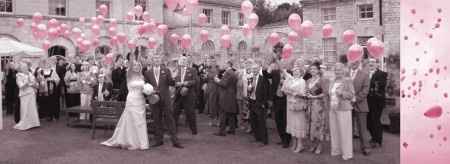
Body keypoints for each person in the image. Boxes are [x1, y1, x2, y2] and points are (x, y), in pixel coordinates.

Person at [101, 60, 149, 150]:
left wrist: (147, 90)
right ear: (132, 67)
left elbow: (143, 87)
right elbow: (128, 87)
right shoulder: (128, 76)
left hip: (141, 100)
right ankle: (130, 141)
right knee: (131, 120)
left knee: (140, 121)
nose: (136, 67)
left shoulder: (142, 76)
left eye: (138, 65)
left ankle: (142, 143)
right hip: (132, 99)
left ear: (140, 67)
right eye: (134, 65)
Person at [143, 53, 183, 149]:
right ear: (152, 60)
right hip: (154, 99)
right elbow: (145, 86)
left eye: (158, 58)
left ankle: (175, 141)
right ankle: (159, 140)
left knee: (170, 119)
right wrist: (149, 93)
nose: (156, 60)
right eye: (155, 58)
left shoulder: (166, 70)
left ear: (160, 60)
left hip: (166, 99)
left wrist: (174, 78)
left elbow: (171, 83)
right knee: (157, 119)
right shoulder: (148, 73)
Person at [328, 63, 355, 161]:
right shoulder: (332, 81)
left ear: (343, 70)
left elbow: (351, 95)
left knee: (345, 132)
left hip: (344, 108)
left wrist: (342, 93)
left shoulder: (347, 80)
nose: (337, 72)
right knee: (334, 131)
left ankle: (347, 153)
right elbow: (330, 94)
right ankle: (336, 150)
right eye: (336, 70)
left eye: (339, 70)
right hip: (333, 108)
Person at [281, 59, 308, 153]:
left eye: (298, 71)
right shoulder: (290, 80)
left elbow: (303, 94)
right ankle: (294, 143)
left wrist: (294, 93)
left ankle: (300, 145)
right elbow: (283, 90)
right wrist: (287, 91)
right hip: (289, 104)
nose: (296, 72)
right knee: (292, 123)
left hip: (298, 105)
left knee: (298, 124)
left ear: (301, 72)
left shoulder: (302, 81)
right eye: (294, 71)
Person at [349, 60, 371, 155]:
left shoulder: (364, 75)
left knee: (362, 128)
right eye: (352, 61)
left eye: (355, 62)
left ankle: (366, 148)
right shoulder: (346, 74)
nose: (353, 63)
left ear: (358, 63)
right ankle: (349, 147)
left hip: (360, 105)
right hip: (347, 106)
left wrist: (355, 99)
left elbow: (365, 90)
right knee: (348, 129)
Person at [305, 62, 328, 154]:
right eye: (311, 69)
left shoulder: (322, 80)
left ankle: (319, 146)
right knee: (311, 126)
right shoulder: (308, 80)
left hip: (319, 106)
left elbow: (325, 93)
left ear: (318, 70)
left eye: (314, 69)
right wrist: (306, 94)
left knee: (318, 125)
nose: (312, 70)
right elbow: (306, 92)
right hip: (310, 105)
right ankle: (313, 144)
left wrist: (314, 97)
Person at [173, 55, 199, 135]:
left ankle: (194, 130)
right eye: (181, 60)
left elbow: (196, 81)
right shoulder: (176, 70)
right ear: (179, 62)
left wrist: (187, 83)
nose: (183, 61)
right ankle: (174, 130)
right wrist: (176, 83)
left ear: (187, 61)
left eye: (184, 60)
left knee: (190, 113)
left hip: (189, 95)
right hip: (178, 94)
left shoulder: (192, 70)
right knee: (175, 112)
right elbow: (173, 81)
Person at [247, 61, 271, 146]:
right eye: (253, 69)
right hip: (252, 102)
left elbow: (266, 92)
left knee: (261, 122)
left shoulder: (263, 79)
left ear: (259, 69)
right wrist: (249, 91)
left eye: (256, 68)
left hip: (260, 103)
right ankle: (257, 138)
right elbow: (249, 91)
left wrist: (264, 103)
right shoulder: (250, 78)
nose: (254, 70)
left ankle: (264, 141)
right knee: (254, 122)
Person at [366, 59, 388, 148]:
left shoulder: (382, 74)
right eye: (370, 63)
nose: (371, 64)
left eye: (373, 63)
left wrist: (372, 85)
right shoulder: (366, 74)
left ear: (377, 64)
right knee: (368, 122)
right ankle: (373, 137)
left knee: (375, 121)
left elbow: (381, 85)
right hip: (368, 101)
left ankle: (378, 140)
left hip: (377, 101)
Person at [213, 61, 238, 136]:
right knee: (231, 114)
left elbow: (224, 84)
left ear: (228, 65)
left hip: (225, 95)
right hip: (232, 95)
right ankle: (232, 130)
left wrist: (217, 80)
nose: (222, 66)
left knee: (223, 113)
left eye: (223, 64)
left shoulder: (228, 73)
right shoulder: (233, 72)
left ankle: (221, 131)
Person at [270, 60, 291, 148]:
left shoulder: (289, 73)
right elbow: (266, 74)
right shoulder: (275, 72)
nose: (280, 65)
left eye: (282, 64)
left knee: (285, 120)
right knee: (278, 120)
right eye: (279, 64)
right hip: (277, 99)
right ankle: (282, 138)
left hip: (286, 100)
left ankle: (287, 140)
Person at [14, 62, 40, 130]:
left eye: (26, 67)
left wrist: (35, 83)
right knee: (25, 109)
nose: (25, 68)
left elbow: (34, 82)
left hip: (31, 93)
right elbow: (21, 86)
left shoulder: (30, 74)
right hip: (24, 94)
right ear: (21, 69)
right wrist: (27, 82)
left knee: (32, 108)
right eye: (24, 67)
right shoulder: (18, 75)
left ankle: (34, 123)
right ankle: (25, 124)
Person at [204, 57, 220, 127]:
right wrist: (206, 76)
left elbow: (215, 77)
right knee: (211, 104)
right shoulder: (208, 69)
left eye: (214, 61)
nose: (213, 62)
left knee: (217, 104)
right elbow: (206, 78)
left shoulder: (218, 69)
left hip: (217, 88)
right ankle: (212, 120)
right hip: (210, 88)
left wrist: (209, 75)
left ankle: (217, 120)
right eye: (212, 61)